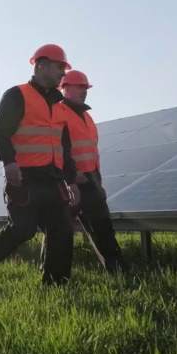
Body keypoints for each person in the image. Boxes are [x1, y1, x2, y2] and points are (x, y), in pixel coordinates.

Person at [0, 44, 82, 285]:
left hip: (54, 181)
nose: (62, 73)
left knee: (62, 229)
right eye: (59, 67)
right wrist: (9, 163)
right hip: (24, 179)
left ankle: (56, 285)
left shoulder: (60, 107)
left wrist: (71, 180)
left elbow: (64, 149)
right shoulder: (17, 95)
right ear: (41, 65)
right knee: (22, 229)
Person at [58, 70, 129, 274]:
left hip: (90, 181)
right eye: (80, 87)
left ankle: (117, 271)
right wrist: (70, 177)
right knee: (60, 231)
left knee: (103, 227)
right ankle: (53, 276)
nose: (84, 91)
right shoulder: (60, 113)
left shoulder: (88, 118)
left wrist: (98, 182)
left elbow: (92, 153)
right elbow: (59, 149)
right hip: (68, 181)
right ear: (65, 88)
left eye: (85, 88)